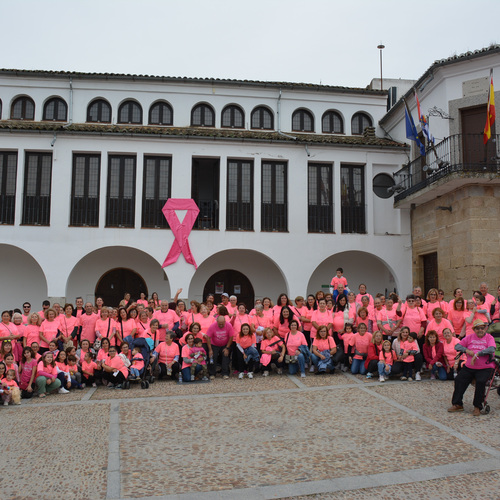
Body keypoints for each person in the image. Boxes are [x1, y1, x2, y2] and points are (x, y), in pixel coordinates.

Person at [448, 320, 496, 416]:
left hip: (485, 366)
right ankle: (457, 404)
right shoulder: (469, 337)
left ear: (485, 328)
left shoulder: (489, 337)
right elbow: (457, 346)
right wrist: (467, 350)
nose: (480, 330)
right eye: (477, 328)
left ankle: (477, 406)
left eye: (482, 328)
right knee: (459, 379)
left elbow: (491, 349)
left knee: (481, 381)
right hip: (470, 366)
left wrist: (478, 353)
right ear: (474, 329)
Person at [205, 315, 233, 380]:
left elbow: (231, 337)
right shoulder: (212, 326)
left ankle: (225, 373)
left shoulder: (228, 325)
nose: (221, 325)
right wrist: (210, 350)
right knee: (212, 357)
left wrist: (227, 348)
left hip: (225, 344)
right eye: (219, 324)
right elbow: (208, 337)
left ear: (225, 322)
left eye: (222, 324)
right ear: (217, 322)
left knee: (225, 357)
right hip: (214, 344)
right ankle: (212, 374)